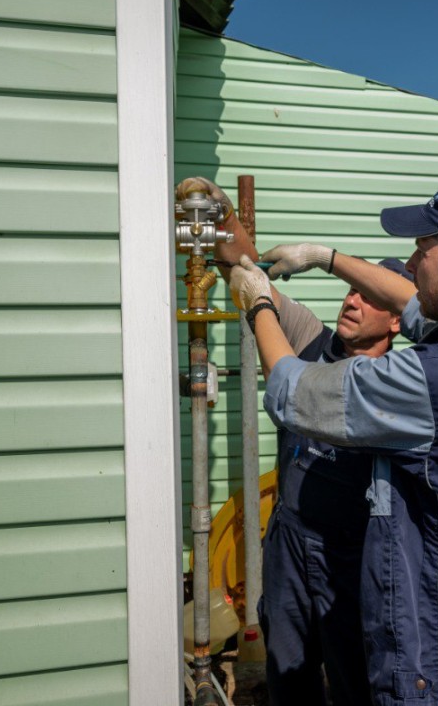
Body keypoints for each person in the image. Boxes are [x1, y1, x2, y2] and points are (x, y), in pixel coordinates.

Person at [229, 175, 438, 706]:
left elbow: (293, 393)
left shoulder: (435, 379)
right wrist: (326, 257)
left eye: (423, 250)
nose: (409, 264)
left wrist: (260, 305)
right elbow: (412, 304)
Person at [174, 177, 415, 706]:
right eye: (353, 290)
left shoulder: (402, 383)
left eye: (370, 296)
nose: (353, 300)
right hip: (289, 539)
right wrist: (221, 217)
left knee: (356, 680)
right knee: (289, 677)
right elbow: (247, 272)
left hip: (351, 556)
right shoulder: (314, 339)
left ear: (398, 319)